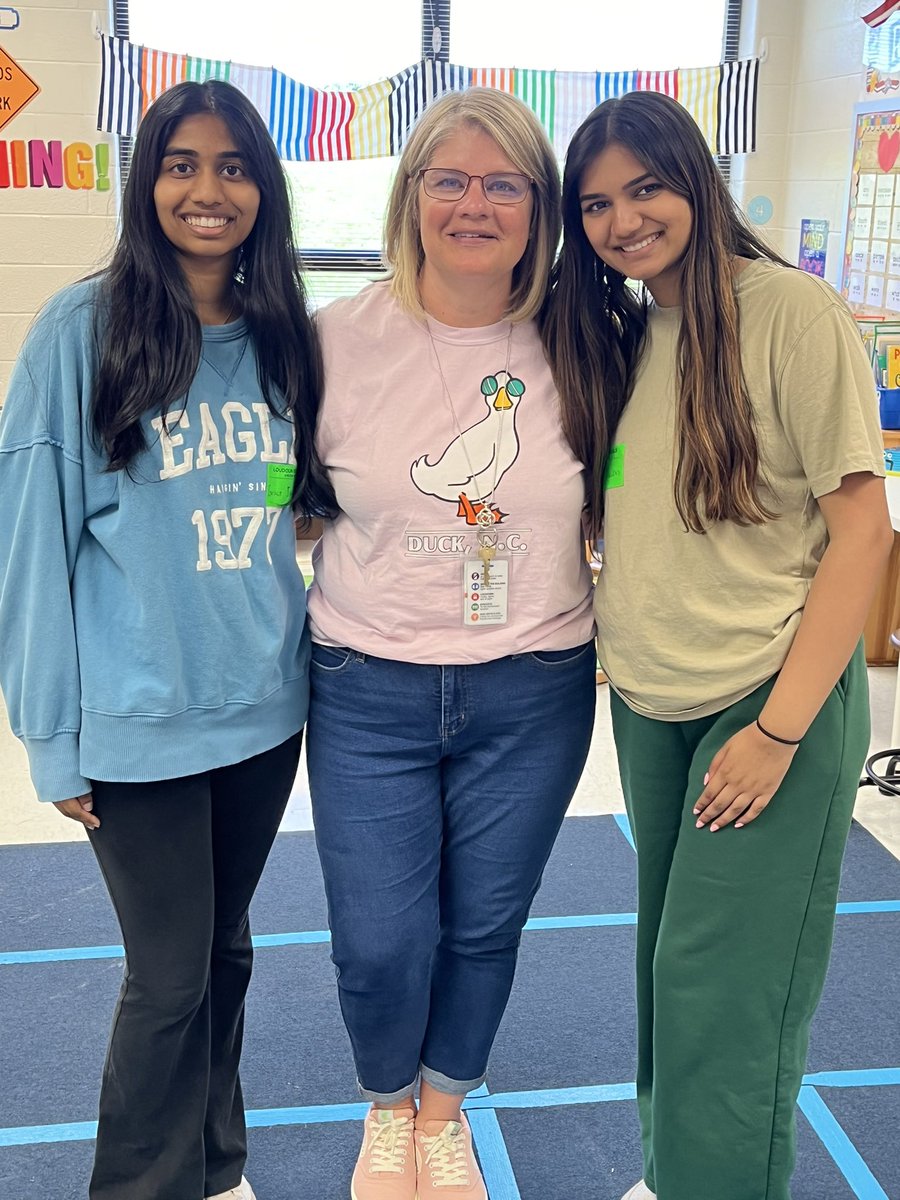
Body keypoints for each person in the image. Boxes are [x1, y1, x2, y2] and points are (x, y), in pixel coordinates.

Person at [541, 89, 893, 1200]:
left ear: (695, 177)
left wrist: (781, 731)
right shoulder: (631, 333)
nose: (623, 218)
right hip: (651, 702)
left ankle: (718, 1181)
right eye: (596, 202)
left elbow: (863, 531)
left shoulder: (789, 311)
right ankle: (678, 1173)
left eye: (645, 186)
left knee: (725, 983)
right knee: (666, 965)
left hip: (766, 700)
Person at [0, 79, 334, 1200]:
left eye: (235, 166)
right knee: (169, 976)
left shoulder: (282, 336)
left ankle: (214, 1162)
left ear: (264, 191)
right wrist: (52, 738)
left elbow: (300, 512)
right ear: (147, 181)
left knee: (224, 951)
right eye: (183, 163)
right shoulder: (79, 330)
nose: (209, 189)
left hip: (260, 714)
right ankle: (141, 1186)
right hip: (136, 725)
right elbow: (30, 552)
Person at [305, 87, 597, 1200]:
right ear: (413, 194)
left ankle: (439, 1113)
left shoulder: (585, 339)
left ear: (540, 206)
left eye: (504, 183)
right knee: (379, 938)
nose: (474, 204)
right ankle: (384, 1106)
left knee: (484, 923)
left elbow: (616, 479)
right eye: (449, 180)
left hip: (534, 687)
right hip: (365, 682)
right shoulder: (332, 341)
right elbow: (288, 490)